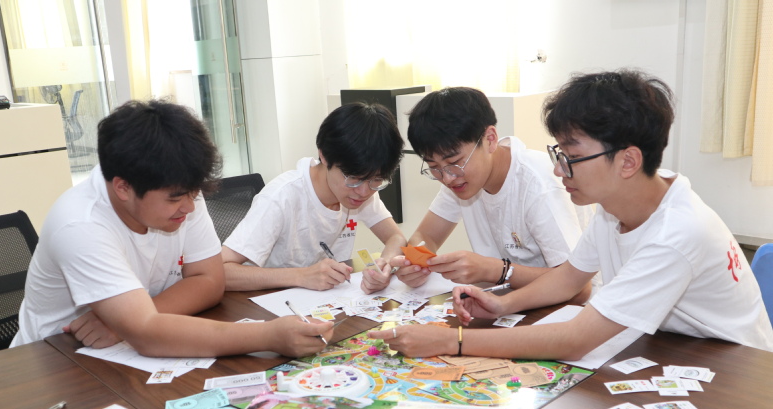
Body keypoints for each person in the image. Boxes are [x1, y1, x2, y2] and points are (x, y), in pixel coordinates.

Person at [370, 69, 773, 358]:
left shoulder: (677, 233)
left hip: (736, 370)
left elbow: (576, 339)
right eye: (558, 154)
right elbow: (568, 277)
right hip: (670, 347)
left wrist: (451, 342)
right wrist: (502, 305)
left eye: (572, 157)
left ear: (628, 161)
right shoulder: (621, 205)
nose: (559, 170)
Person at [11, 99, 331, 358]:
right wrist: (269, 335)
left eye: (194, 193)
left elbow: (210, 281)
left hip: (128, 346)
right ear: (123, 187)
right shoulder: (80, 224)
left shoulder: (178, 185)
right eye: (176, 198)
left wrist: (125, 322)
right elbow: (147, 335)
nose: (190, 207)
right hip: (54, 357)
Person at [390, 87, 590, 297]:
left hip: (565, 308)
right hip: (504, 302)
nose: (447, 178)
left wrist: (493, 270)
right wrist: (415, 264)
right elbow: (425, 236)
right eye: (434, 167)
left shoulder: (539, 186)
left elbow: (579, 287)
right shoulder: (458, 178)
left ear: (490, 139)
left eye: (455, 162)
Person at [221, 102, 407, 294]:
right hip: (265, 301)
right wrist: (301, 276)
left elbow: (396, 237)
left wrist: (384, 267)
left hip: (324, 302)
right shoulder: (281, 196)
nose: (364, 191)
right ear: (324, 156)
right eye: (354, 178)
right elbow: (221, 272)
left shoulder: (360, 190)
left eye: (377, 180)